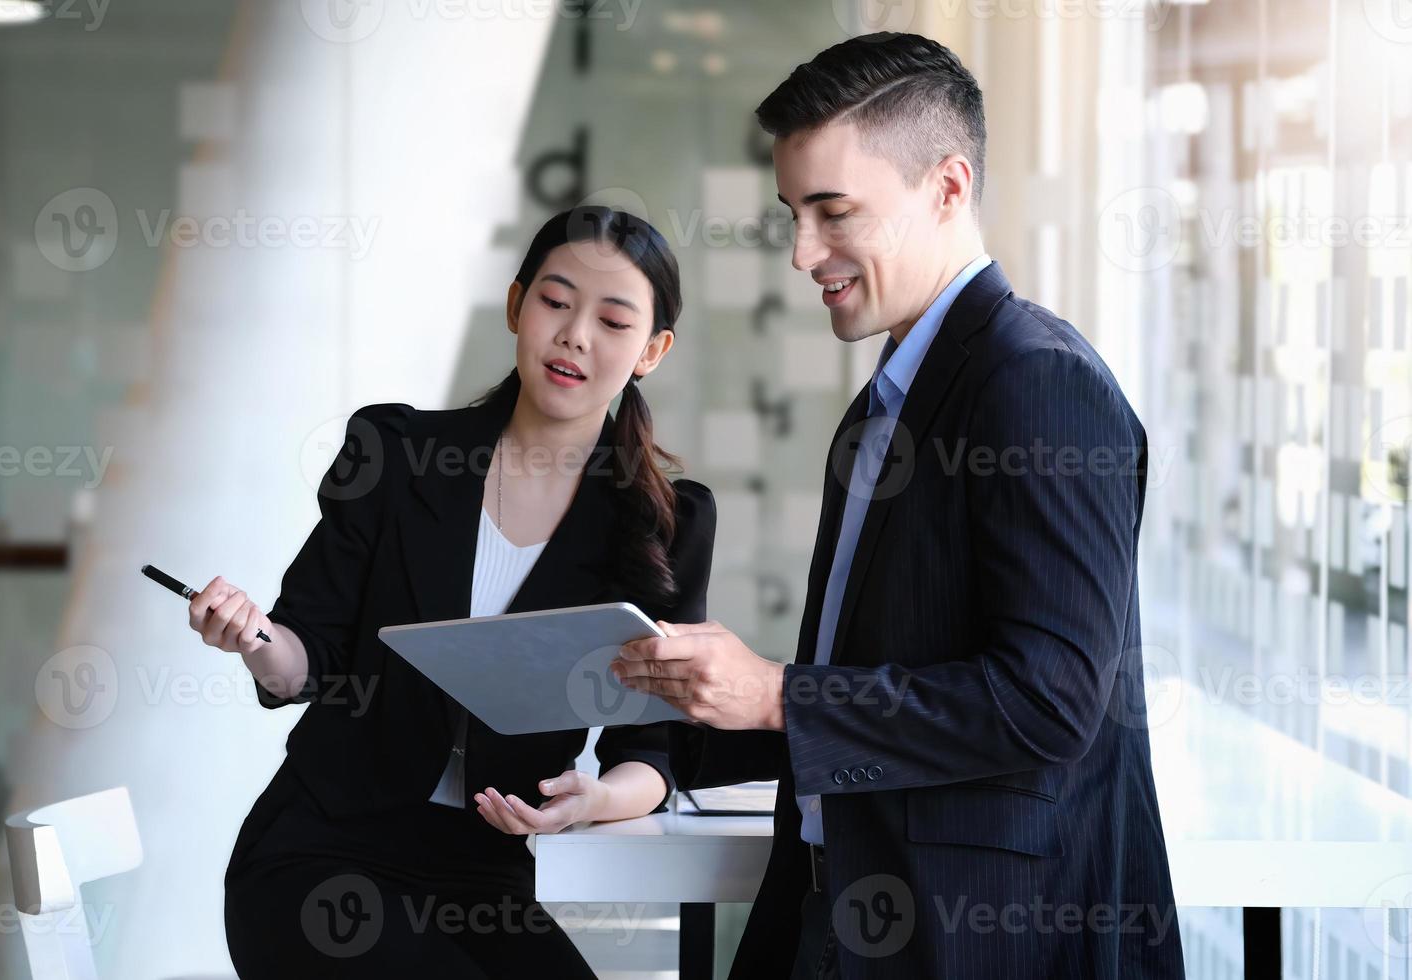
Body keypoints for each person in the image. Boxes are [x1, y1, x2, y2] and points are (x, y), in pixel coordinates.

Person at [615, 33, 1185, 979]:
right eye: (794, 213)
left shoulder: (1036, 380)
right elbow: (887, 672)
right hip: (846, 907)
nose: (803, 253)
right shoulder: (888, 401)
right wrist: (654, 760)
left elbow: (1050, 699)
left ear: (948, 188)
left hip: (976, 938)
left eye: (834, 212)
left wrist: (776, 694)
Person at [197, 205, 716, 978]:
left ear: (652, 350)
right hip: (321, 851)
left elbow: (653, 751)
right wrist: (254, 638)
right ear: (516, 307)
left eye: (613, 321)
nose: (575, 335)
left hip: (484, 871)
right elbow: (309, 658)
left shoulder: (666, 521)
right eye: (554, 301)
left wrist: (593, 800)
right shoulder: (395, 454)